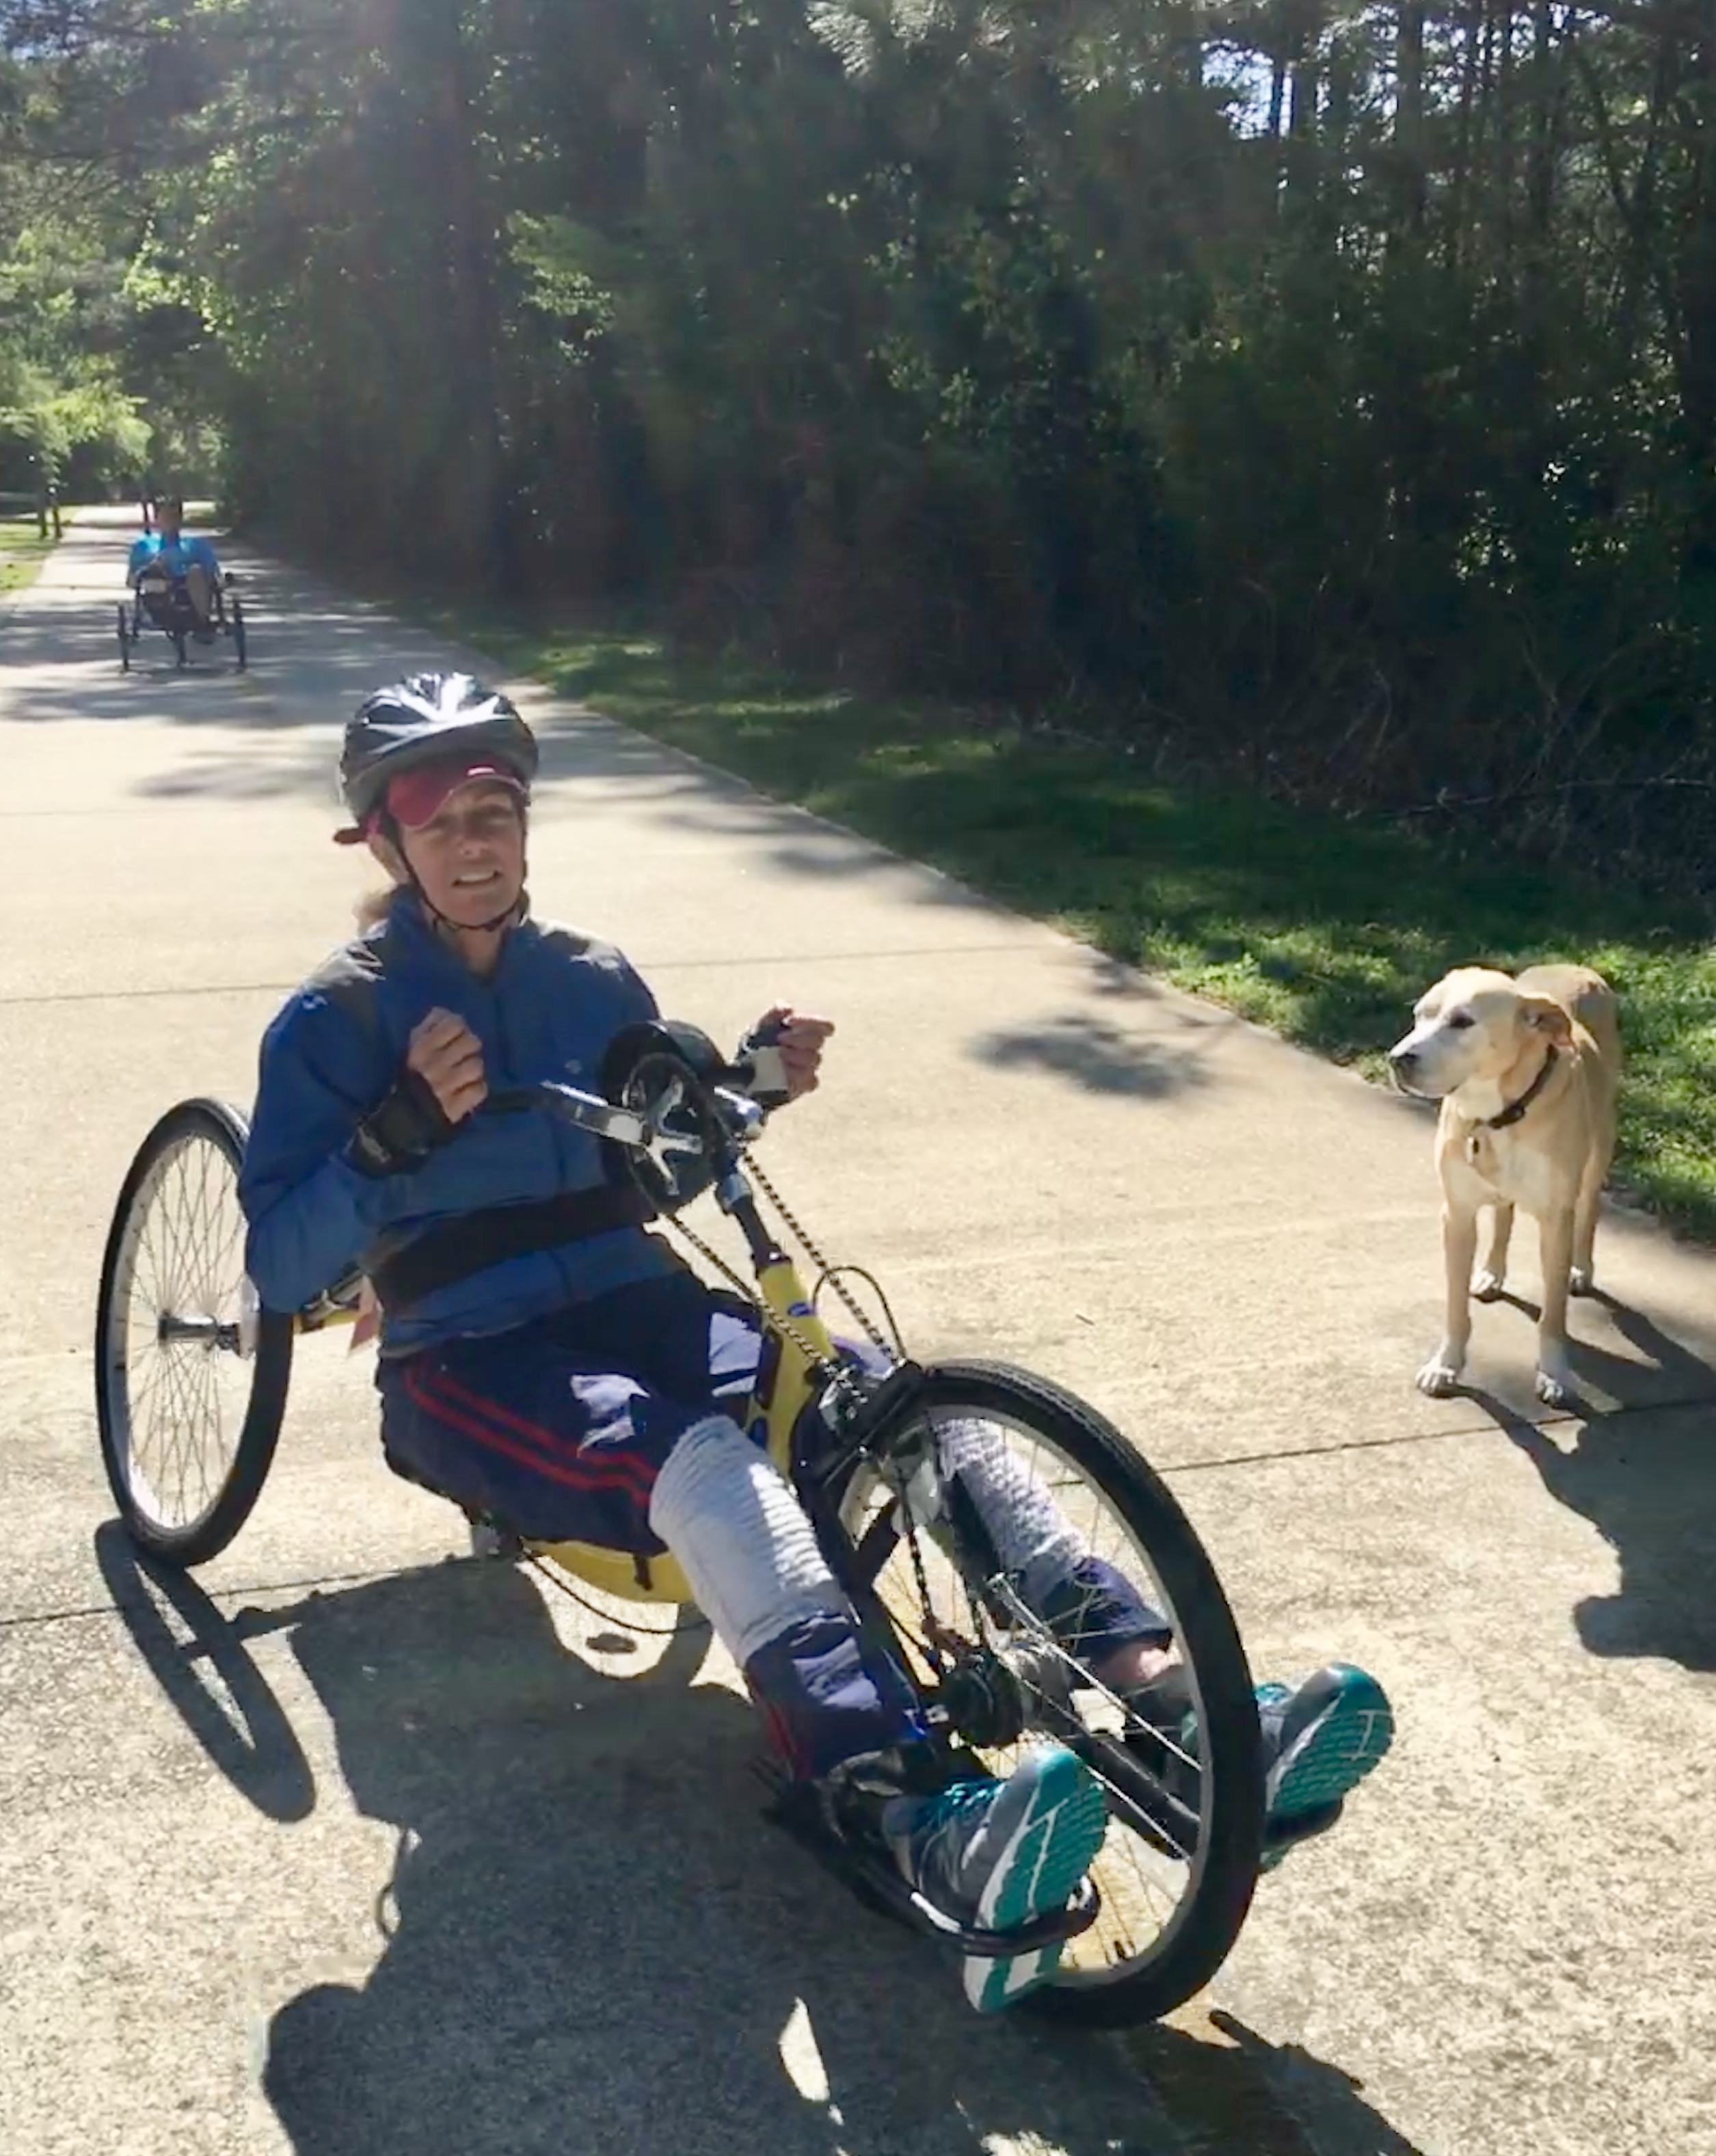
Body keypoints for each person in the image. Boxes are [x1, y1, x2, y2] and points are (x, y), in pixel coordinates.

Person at [239, 673, 1395, 2015]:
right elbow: (278, 1263)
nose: (476, 839)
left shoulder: (590, 977)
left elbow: (656, 1163)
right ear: (382, 843)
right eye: (439, 818)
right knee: (711, 1471)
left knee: (903, 1417)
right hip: (469, 1353)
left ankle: (1179, 1703)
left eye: (495, 805)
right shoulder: (337, 1019)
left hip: (643, 1298)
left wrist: (745, 1089)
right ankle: (912, 1807)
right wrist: (388, 1144)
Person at [126, 494, 222, 635]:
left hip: (190, 592)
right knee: (153, 571)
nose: (171, 521)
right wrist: (151, 568)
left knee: (196, 571)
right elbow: (131, 581)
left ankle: (203, 623)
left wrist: (220, 581)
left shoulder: (195, 544)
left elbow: (213, 573)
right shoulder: (144, 545)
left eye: (175, 516)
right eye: (166, 516)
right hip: (158, 594)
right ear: (157, 518)